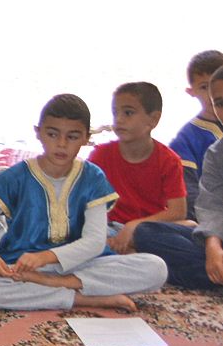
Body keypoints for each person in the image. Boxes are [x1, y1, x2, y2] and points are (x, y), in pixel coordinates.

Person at [0, 94, 167, 312]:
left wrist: (46, 258)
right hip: (25, 266)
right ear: (38, 132)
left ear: (86, 138)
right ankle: (86, 298)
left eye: (72, 136)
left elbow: (95, 242)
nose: (61, 144)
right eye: (52, 134)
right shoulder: (16, 177)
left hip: (81, 265)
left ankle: (59, 284)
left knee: (156, 268)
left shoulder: (93, 178)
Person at [134, 69, 223, 289]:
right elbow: (211, 207)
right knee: (146, 233)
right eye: (220, 103)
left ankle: (202, 276)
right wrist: (213, 245)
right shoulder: (216, 153)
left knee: (165, 268)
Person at [88, 82, 187, 254]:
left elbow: (178, 211)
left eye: (128, 113)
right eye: (115, 113)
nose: (119, 119)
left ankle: (131, 253)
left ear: (153, 120)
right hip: (110, 228)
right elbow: (84, 202)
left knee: (190, 228)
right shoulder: (100, 155)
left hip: (150, 230)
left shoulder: (169, 160)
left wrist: (134, 226)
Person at [170, 49, 223, 204]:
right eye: (204, 87)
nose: (212, 93)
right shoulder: (185, 141)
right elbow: (189, 194)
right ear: (191, 91)